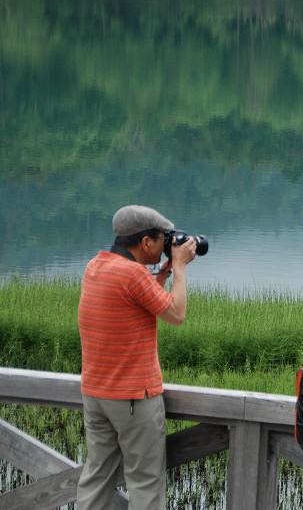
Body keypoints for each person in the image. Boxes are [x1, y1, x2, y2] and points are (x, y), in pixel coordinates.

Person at [76, 205, 196, 510]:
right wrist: (180, 269)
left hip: (96, 395)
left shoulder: (97, 266)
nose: (167, 246)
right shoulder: (132, 274)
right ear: (145, 243)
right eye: (163, 240)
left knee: (97, 476)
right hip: (132, 398)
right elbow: (176, 314)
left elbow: (135, 301)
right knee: (145, 482)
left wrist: (164, 273)